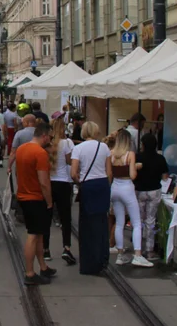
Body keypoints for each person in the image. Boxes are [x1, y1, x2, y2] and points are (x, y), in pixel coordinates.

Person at [16, 123, 57, 285]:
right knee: (33, 235)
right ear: (45, 136)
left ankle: (43, 266)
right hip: (35, 198)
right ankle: (29, 272)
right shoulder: (40, 153)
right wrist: (49, 202)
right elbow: (44, 182)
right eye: (51, 137)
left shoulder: (21, 149)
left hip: (23, 195)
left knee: (39, 234)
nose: (51, 140)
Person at [71, 121, 111, 275]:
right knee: (101, 223)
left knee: (86, 225)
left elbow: (73, 173)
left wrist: (79, 182)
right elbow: (109, 173)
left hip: (87, 186)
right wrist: (106, 186)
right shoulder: (104, 147)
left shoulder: (78, 149)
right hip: (102, 185)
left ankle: (88, 263)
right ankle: (102, 259)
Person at [109, 130, 153, 267]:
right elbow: (133, 175)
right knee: (136, 222)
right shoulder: (130, 155)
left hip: (114, 187)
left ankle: (120, 254)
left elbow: (109, 174)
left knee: (119, 222)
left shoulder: (110, 154)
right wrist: (136, 167)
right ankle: (138, 255)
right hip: (127, 187)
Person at [46, 114, 76, 266]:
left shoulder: (47, 143)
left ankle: (46, 250)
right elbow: (70, 161)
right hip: (64, 182)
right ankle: (66, 248)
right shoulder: (67, 143)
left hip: (49, 183)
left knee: (47, 217)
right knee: (66, 218)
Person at [134, 133, 169, 260]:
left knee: (138, 221)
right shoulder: (160, 158)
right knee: (150, 220)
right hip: (154, 190)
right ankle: (149, 250)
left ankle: (138, 248)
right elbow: (165, 177)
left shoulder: (137, 157)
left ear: (143, 144)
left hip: (140, 191)